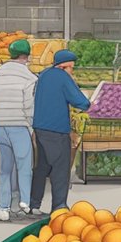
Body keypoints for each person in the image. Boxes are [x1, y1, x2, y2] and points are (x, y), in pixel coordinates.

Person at [29, 49, 90, 215]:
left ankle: (34, 205)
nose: (72, 71)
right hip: (57, 130)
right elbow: (81, 102)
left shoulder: (43, 75)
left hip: (40, 128)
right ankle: (59, 207)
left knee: (41, 167)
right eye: (72, 68)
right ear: (66, 66)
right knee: (60, 170)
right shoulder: (63, 77)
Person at [0, 39, 37, 222]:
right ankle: (24, 201)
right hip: (19, 126)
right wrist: (31, 126)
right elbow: (29, 106)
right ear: (26, 56)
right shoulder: (28, 77)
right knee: (24, 166)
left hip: (0, 126)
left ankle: (3, 208)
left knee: (5, 169)